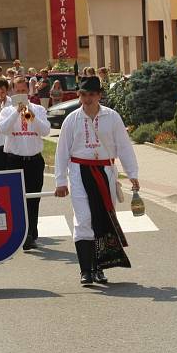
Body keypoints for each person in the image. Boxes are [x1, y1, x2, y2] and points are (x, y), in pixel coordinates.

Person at [54, 76, 139, 285]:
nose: (87, 99)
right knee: (83, 218)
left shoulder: (112, 117)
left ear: (99, 95)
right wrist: (60, 181)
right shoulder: (72, 119)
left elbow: (124, 146)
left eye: (92, 94)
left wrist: (132, 173)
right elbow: (62, 151)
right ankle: (86, 270)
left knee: (103, 218)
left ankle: (99, 267)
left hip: (105, 171)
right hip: (79, 171)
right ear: (79, 95)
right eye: (83, 94)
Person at [0, 77, 51, 250]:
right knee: (15, 199)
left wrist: (31, 115)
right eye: (17, 91)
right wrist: (16, 112)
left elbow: (45, 131)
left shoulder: (38, 109)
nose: (21, 94)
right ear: (13, 92)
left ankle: (31, 234)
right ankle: (20, 233)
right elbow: (3, 129)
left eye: (23, 91)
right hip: (14, 160)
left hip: (34, 160)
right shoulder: (7, 111)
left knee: (33, 198)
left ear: (27, 91)